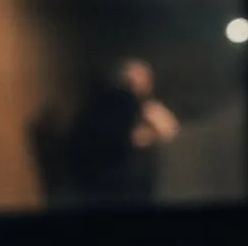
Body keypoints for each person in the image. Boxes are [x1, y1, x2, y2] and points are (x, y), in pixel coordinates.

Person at [36, 57, 179, 206]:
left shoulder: (151, 110)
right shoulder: (108, 109)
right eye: (132, 80)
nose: (140, 84)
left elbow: (169, 132)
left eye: (144, 79)